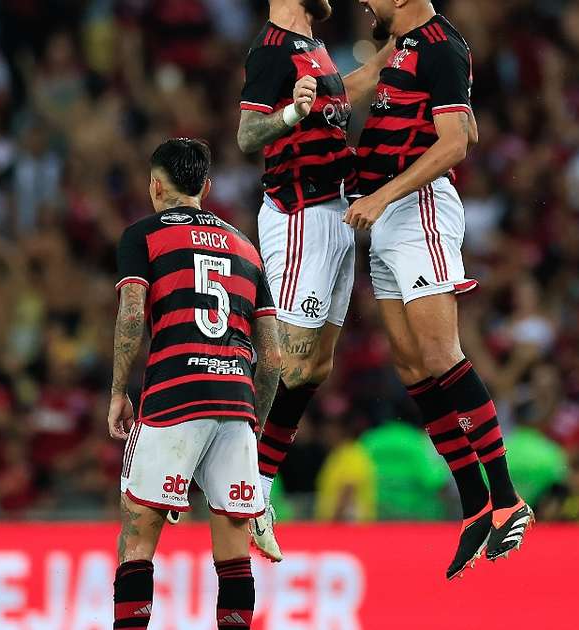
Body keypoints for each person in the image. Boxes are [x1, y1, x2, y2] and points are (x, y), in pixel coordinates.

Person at [345, 0, 530, 579]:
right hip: (384, 216)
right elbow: (355, 85)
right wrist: (299, 100)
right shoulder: (399, 43)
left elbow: (455, 143)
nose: (363, 2)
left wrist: (381, 196)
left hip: (414, 207)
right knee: (411, 367)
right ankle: (474, 502)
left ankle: (506, 498)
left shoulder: (442, 46)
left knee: (441, 354)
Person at [106, 139, 282, 630]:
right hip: (236, 405)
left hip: (172, 397)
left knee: (138, 539)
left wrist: (119, 391)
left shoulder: (142, 236)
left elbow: (132, 311)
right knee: (232, 546)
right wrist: (253, 422)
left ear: (155, 187)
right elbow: (271, 356)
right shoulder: (247, 248)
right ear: (205, 188)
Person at [236, 0, 390, 561]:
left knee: (316, 366)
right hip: (299, 215)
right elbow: (248, 136)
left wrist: (406, 45)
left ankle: (258, 482)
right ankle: (241, 482)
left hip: (336, 211)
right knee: (286, 359)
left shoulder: (313, 46)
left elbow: (338, 97)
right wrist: (289, 117)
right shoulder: (272, 48)